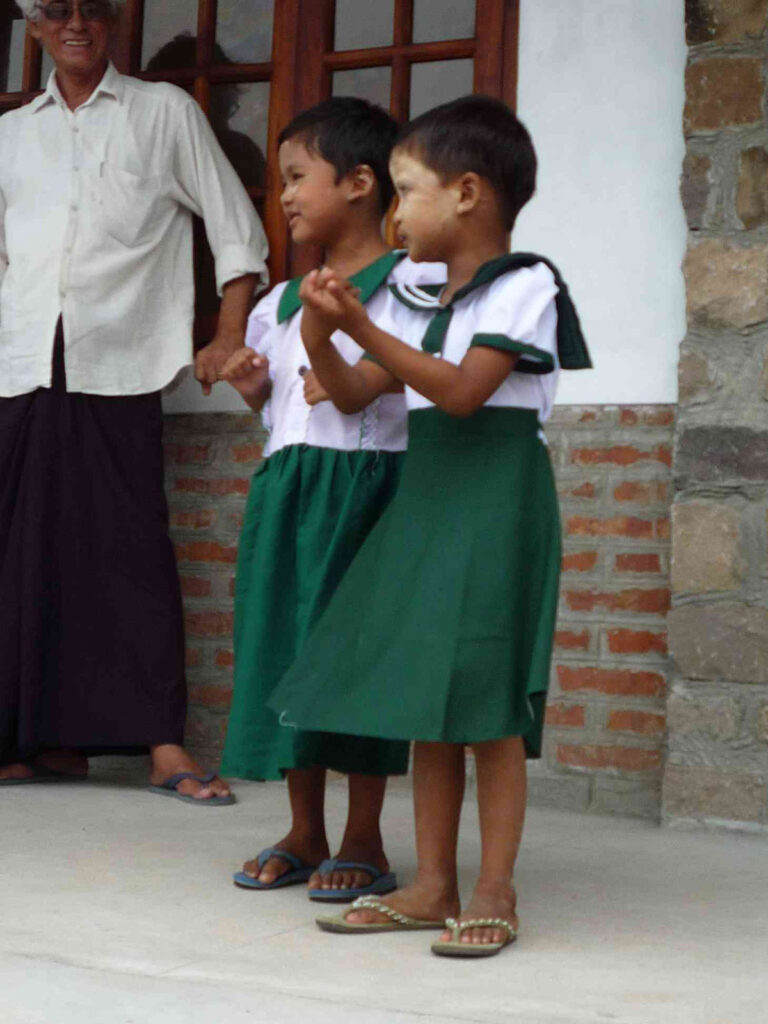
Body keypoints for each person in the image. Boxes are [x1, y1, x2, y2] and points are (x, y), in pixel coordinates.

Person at [268, 95, 591, 954]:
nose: (396, 212)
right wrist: (324, 331)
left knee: (486, 706)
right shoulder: (417, 295)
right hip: (427, 501)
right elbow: (349, 391)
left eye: (407, 192)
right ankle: (431, 883)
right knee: (427, 698)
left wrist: (364, 323)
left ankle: (495, 887)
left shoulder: (526, 286)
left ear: (468, 195)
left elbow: (459, 392)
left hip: (493, 497)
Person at [0, 0, 268, 802]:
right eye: (56, 9)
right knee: (17, 556)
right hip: (19, 367)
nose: (75, 22)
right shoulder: (13, 134)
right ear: (34, 26)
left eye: (92, 7)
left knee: (129, 556)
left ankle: (162, 746)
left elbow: (236, 231)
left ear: (113, 21)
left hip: (118, 363)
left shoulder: (165, 113)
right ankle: (32, 742)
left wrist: (227, 335)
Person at [219, 98, 443, 899]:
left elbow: (389, 389)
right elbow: (285, 409)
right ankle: (303, 829)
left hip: (368, 490)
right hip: (290, 489)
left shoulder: (410, 285)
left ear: (357, 183)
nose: (282, 196)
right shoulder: (282, 299)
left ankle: (364, 838)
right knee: (288, 656)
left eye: (294, 178)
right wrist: (254, 388)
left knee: (360, 664)